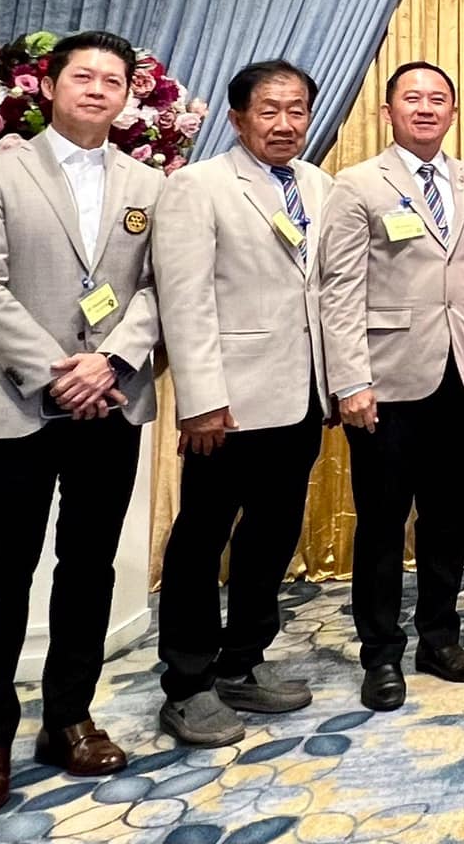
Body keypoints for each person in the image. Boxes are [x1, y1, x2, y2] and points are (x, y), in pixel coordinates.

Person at [0, 30, 162, 818]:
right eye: (84, 76)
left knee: (89, 566)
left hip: (113, 399)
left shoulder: (149, 182)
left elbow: (158, 288)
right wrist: (59, 372)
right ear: (48, 84)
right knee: (1, 571)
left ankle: (69, 718)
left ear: (128, 95)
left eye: (113, 80)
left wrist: (111, 361)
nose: (98, 90)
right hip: (20, 402)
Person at [151, 60, 331, 746]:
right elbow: (185, 299)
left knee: (272, 533)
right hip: (226, 404)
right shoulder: (198, 187)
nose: (284, 123)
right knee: (202, 538)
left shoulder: (319, 185)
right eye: (269, 109)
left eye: (296, 110)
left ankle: (242, 661)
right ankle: (187, 683)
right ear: (237, 118)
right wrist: (199, 400)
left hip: (300, 395)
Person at [320, 61, 464, 711]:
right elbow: (338, 290)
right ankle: (381, 653)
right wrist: (351, 380)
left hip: (463, 375)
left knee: (449, 519)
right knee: (383, 522)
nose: (426, 108)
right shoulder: (357, 183)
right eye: (412, 98)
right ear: (387, 111)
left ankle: (439, 638)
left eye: (438, 98)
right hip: (387, 381)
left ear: (453, 111)